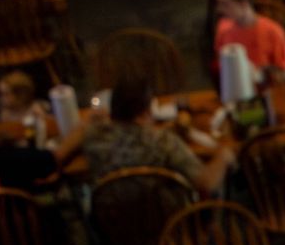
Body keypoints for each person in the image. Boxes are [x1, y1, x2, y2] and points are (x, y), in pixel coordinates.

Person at [82, 76, 234, 194]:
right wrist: (223, 155)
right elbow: (206, 183)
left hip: (114, 228)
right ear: (144, 113)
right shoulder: (163, 142)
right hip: (168, 226)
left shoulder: (93, 135)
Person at [212, 0, 285, 88]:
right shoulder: (223, 27)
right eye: (219, 4)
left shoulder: (272, 31)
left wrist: (262, 76)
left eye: (225, 4)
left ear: (244, 3)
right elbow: (220, 66)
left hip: (263, 89)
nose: (219, 9)